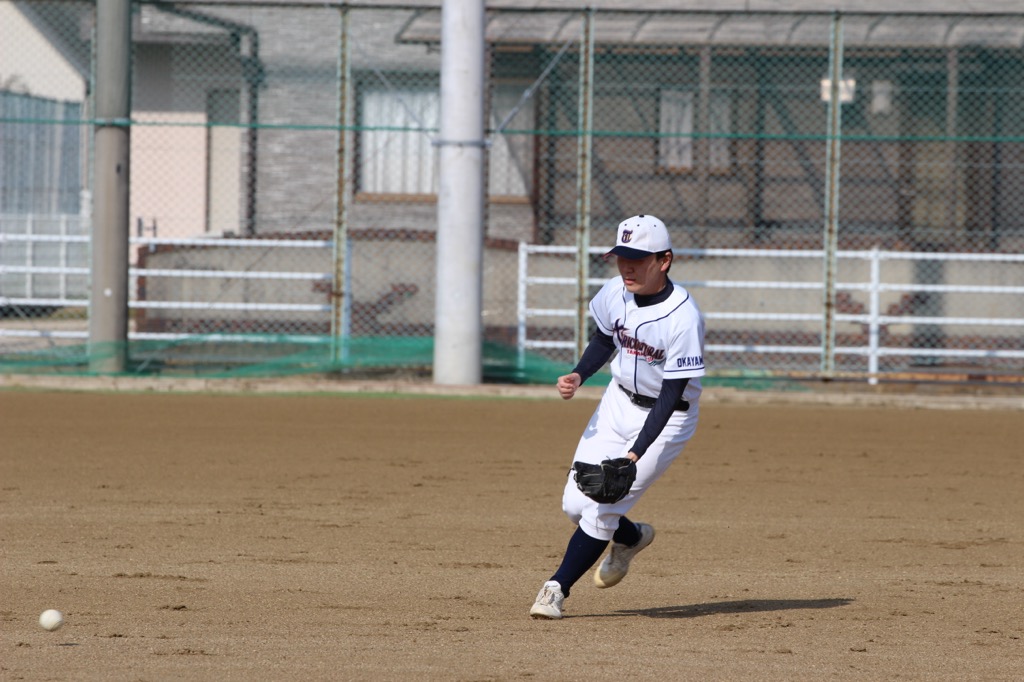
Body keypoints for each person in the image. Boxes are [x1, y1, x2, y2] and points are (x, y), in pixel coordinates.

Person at [530, 214, 706, 620]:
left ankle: (555, 589)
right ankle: (631, 537)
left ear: (664, 260)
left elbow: (671, 394)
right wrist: (579, 374)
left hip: (667, 417)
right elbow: (604, 338)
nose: (627, 267)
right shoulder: (616, 291)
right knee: (576, 503)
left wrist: (634, 454)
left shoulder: (683, 318)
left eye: (637, 259)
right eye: (621, 257)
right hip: (616, 402)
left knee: (602, 507)